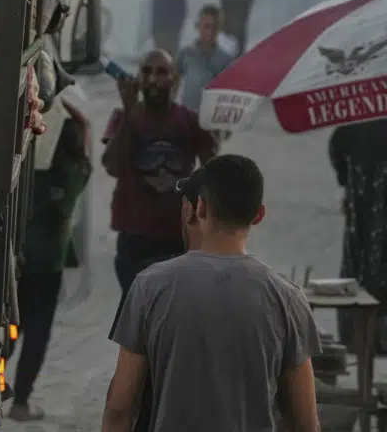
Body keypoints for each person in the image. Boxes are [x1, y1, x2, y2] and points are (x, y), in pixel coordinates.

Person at [102, 154, 321, 432]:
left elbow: (120, 407)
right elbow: (305, 423)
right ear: (258, 215)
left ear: (201, 207)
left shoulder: (150, 286)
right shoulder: (288, 299)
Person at [101, 49, 218, 300]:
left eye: (162, 72)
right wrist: (130, 114)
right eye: (146, 72)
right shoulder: (122, 117)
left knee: (170, 311)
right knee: (136, 309)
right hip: (134, 237)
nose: (153, 79)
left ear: (175, 78)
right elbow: (112, 166)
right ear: (138, 78)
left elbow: (213, 170)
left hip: (176, 237)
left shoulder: (189, 121)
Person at [9, 101, 92, 422]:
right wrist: (73, 111)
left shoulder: (26, 166)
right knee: (37, 333)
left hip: (17, 260)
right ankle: (21, 401)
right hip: (48, 265)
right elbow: (85, 146)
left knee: (10, 328)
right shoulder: (73, 172)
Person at [329, 118, 387, 353]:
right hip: (365, 197)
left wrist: (345, 181)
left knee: (359, 261)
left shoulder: (358, 115)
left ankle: (358, 335)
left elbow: (337, 147)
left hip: (361, 196)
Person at [174, 4, 234, 137]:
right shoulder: (186, 54)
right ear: (198, 26)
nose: (210, 31)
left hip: (211, 124)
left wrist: (227, 124)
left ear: (220, 29)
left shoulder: (225, 60)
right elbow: (173, 84)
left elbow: (228, 95)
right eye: (206, 26)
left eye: (214, 27)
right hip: (187, 119)